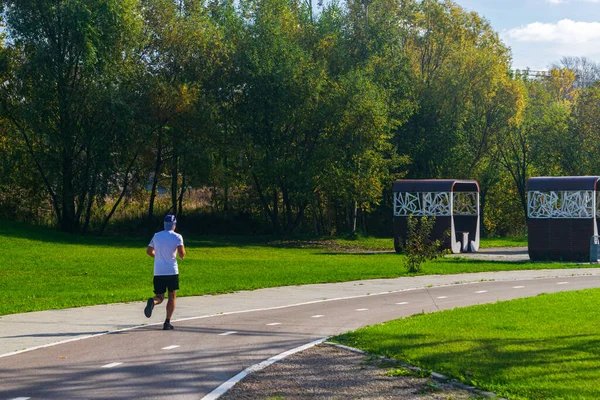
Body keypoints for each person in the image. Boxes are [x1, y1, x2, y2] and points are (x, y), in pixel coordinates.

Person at [144, 214, 186, 330]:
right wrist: (182, 256)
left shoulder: (157, 236)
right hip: (171, 271)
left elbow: (149, 251)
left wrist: (158, 257)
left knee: (160, 296)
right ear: (174, 225)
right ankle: (167, 322)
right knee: (172, 296)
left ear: (164, 224)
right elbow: (181, 252)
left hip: (158, 271)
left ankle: (153, 302)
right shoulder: (177, 236)